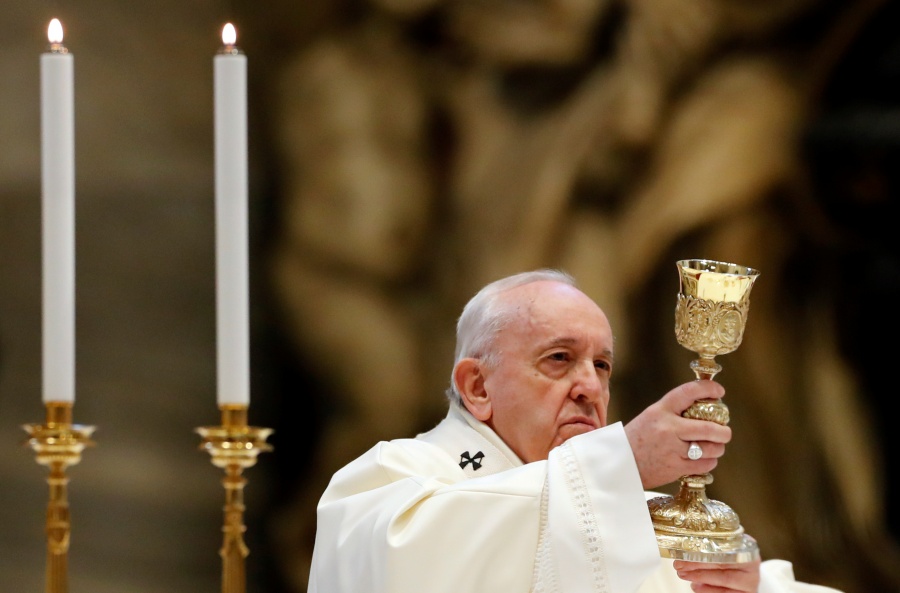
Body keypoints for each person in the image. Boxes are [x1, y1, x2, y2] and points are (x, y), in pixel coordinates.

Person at [306, 269, 842, 593]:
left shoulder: (626, 514)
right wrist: (623, 465)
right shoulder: (386, 483)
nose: (590, 386)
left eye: (603, 366)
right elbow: (408, 564)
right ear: (477, 387)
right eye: (559, 358)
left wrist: (747, 590)